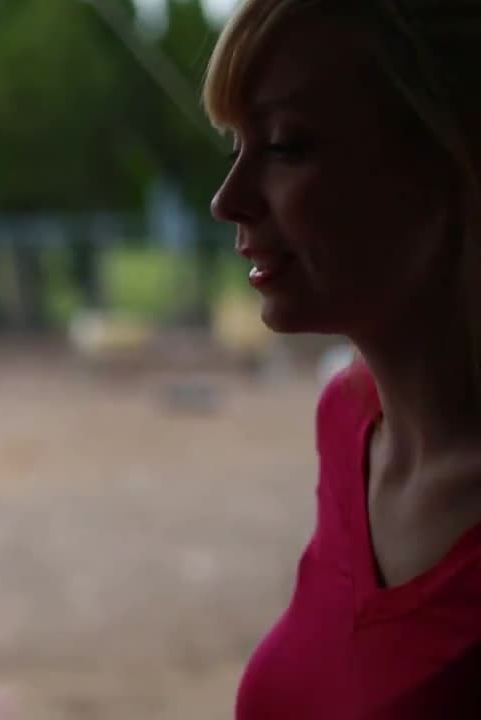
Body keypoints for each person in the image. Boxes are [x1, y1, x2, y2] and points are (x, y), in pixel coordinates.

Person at [204, 0, 481, 717]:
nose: (226, 200)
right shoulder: (350, 423)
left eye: (288, 145)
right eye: (236, 146)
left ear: (449, 165)